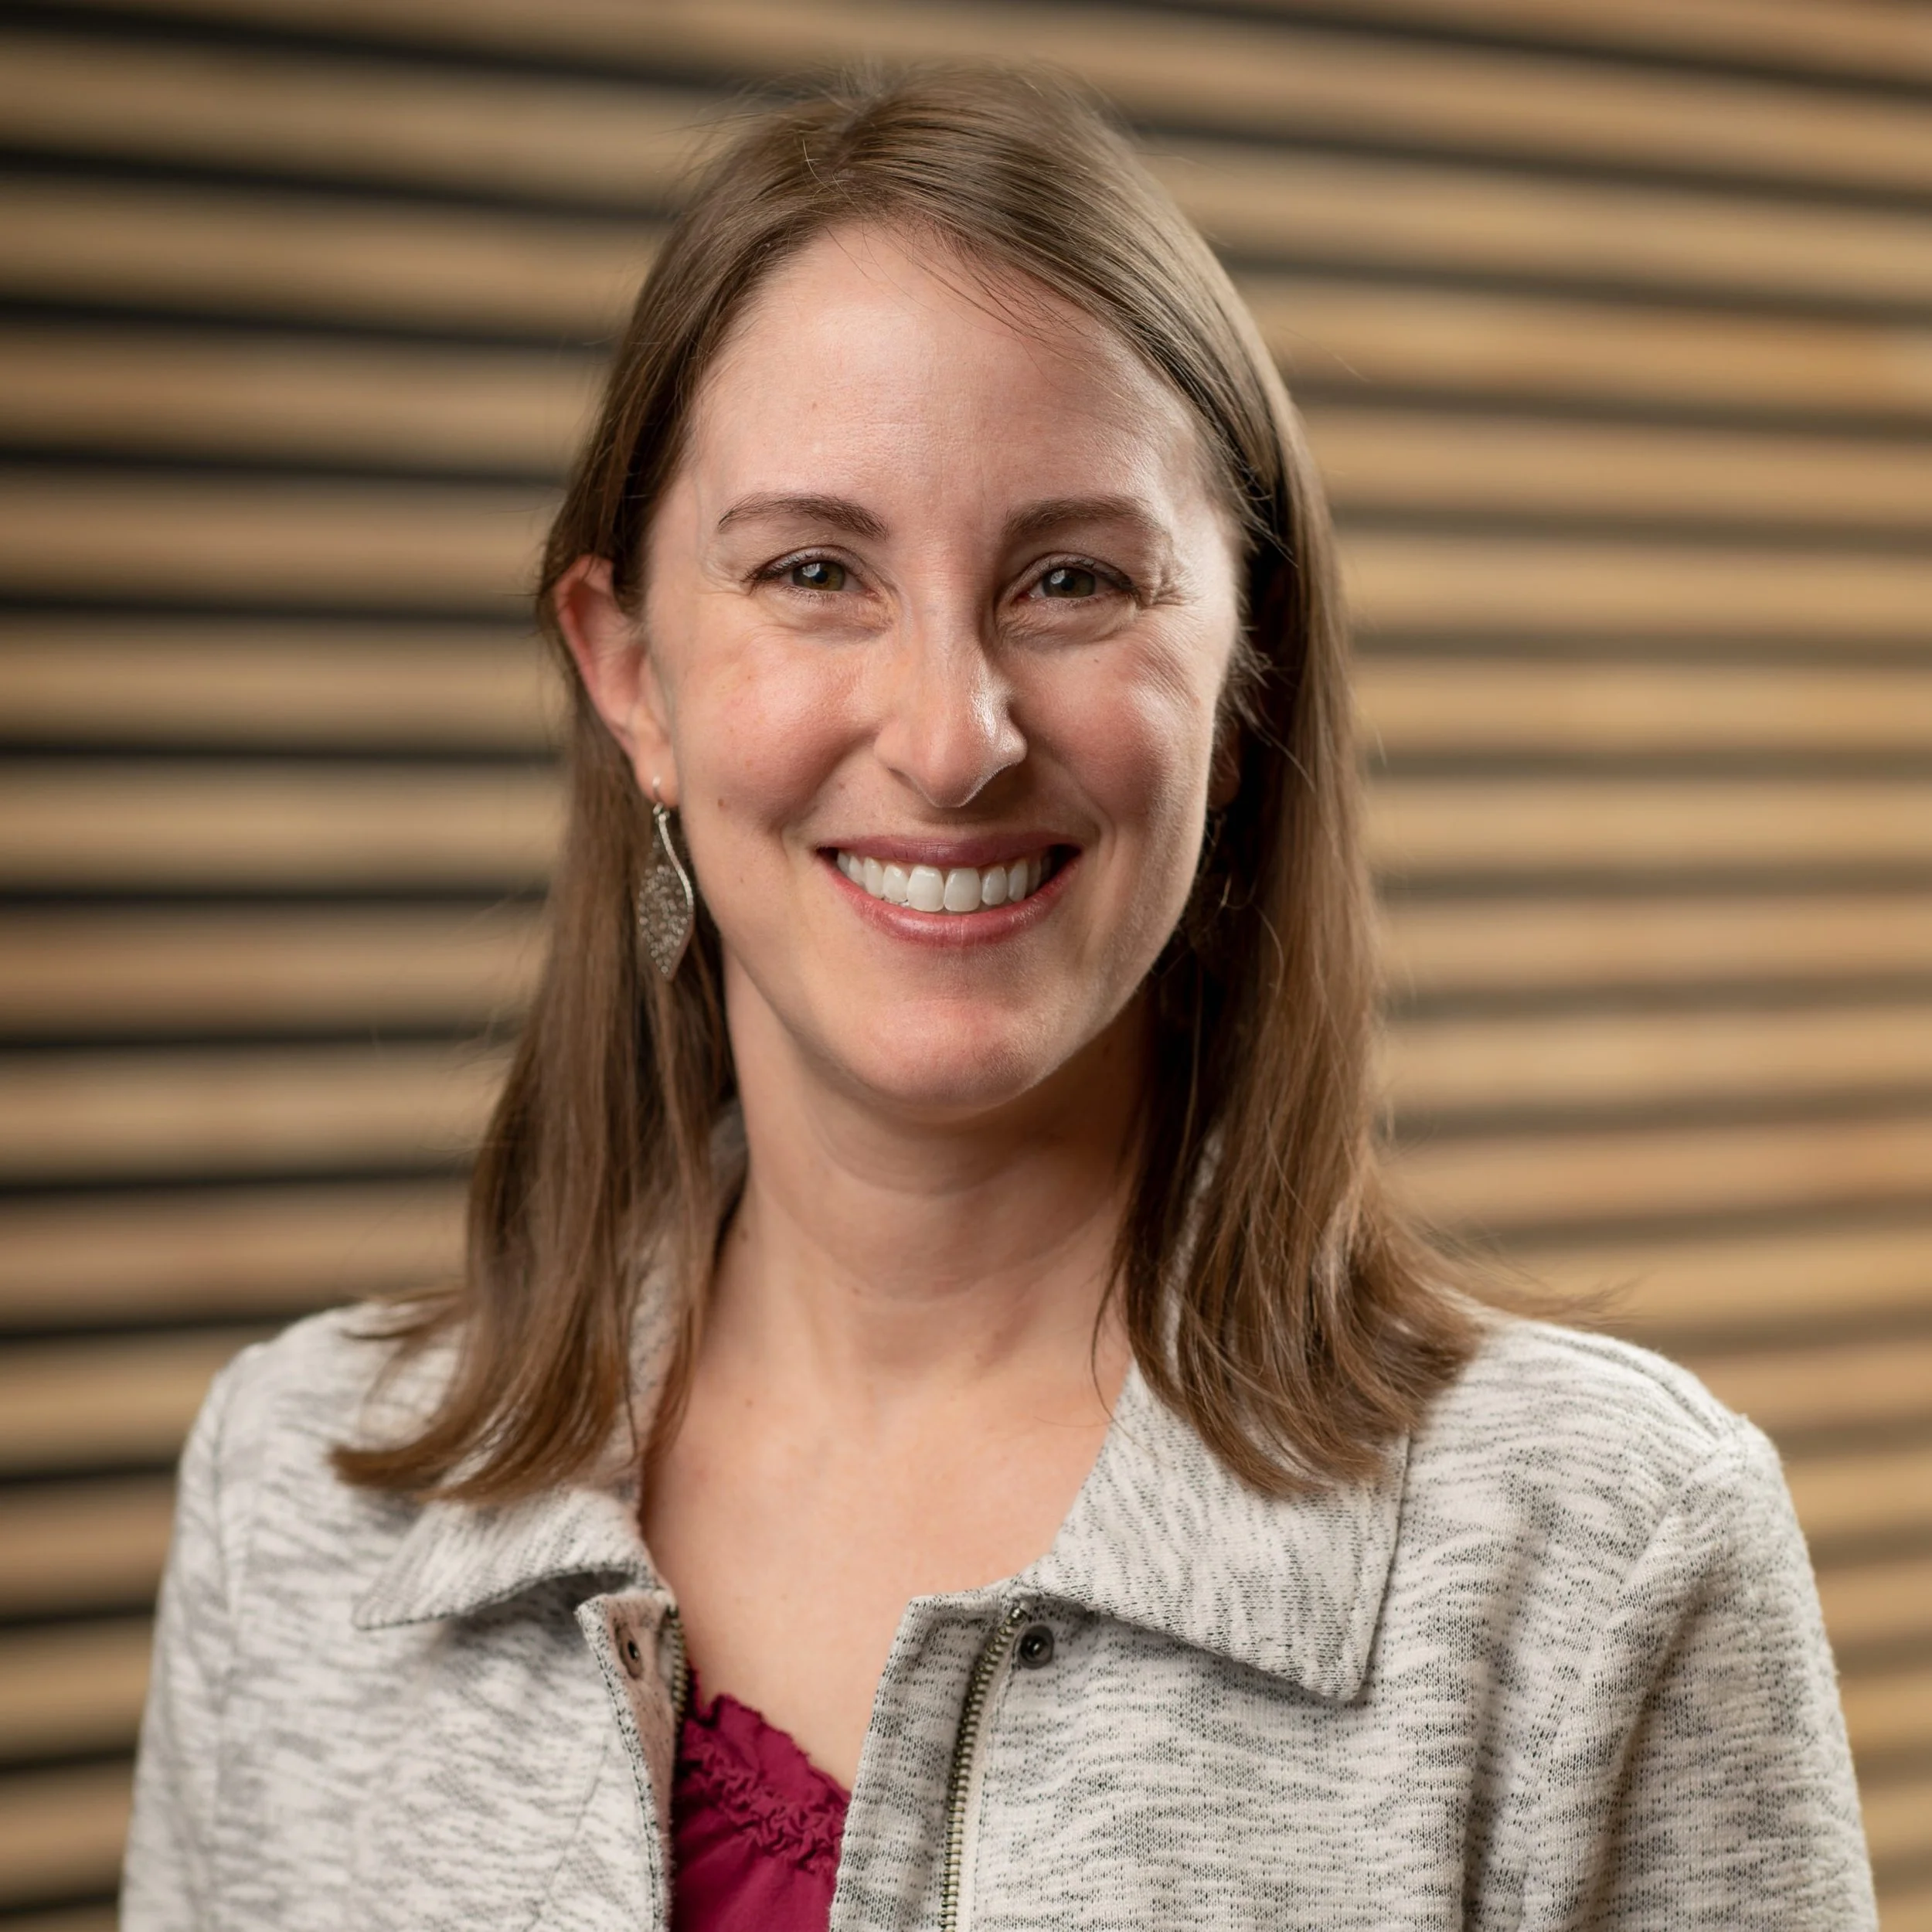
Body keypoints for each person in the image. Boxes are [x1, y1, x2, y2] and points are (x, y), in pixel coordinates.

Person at [122, 65, 1874, 1931]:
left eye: (1070, 578)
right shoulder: (292, 1499)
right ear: (629, 672)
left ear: (1244, 663)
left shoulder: (1600, 1553)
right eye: (814, 571)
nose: (951, 738)